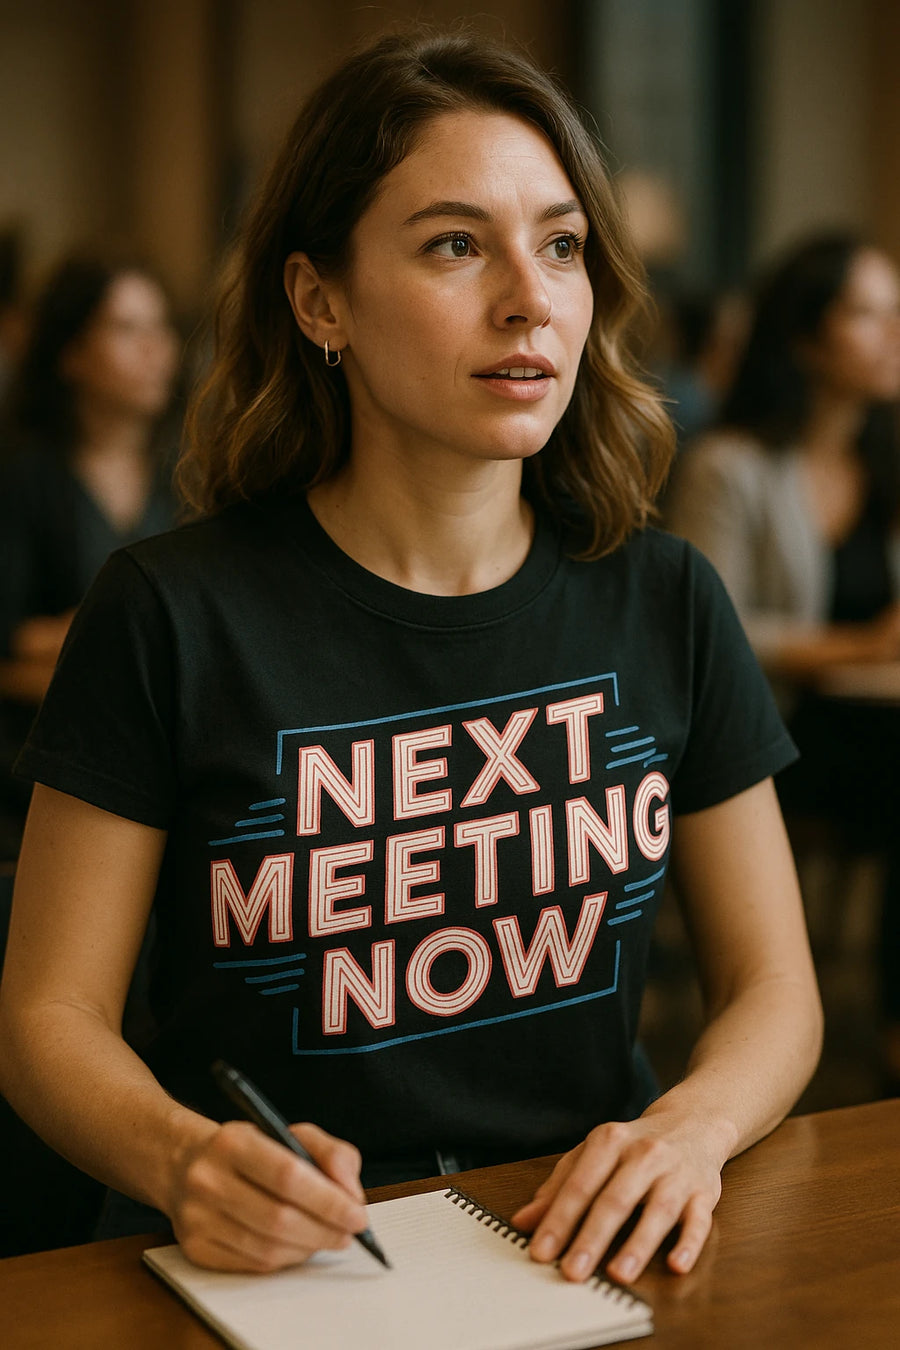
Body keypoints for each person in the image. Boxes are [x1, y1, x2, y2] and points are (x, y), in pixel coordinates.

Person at [0, 30, 821, 1285]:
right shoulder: (171, 610)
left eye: (560, 245)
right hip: (279, 1270)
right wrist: (182, 1160)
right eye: (455, 244)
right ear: (319, 300)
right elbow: (48, 1022)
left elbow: (777, 987)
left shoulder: (665, 597)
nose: (528, 298)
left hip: (581, 1245)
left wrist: (689, 1132)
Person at [666, 231, 900, 1095]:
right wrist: (852, 647)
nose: (895, 335)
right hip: (773, 741)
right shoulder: (732, 468)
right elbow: (706, 623)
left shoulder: (887, 469)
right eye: (870, 314)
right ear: (805, 337)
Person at [0, 252, 180, 857]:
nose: (156, 349)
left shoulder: (188, 476)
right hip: (38, 779)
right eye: (127, 329)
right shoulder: (25, 478)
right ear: (71, 353)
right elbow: (7, 639)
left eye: (160, 327)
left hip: (169, 774)